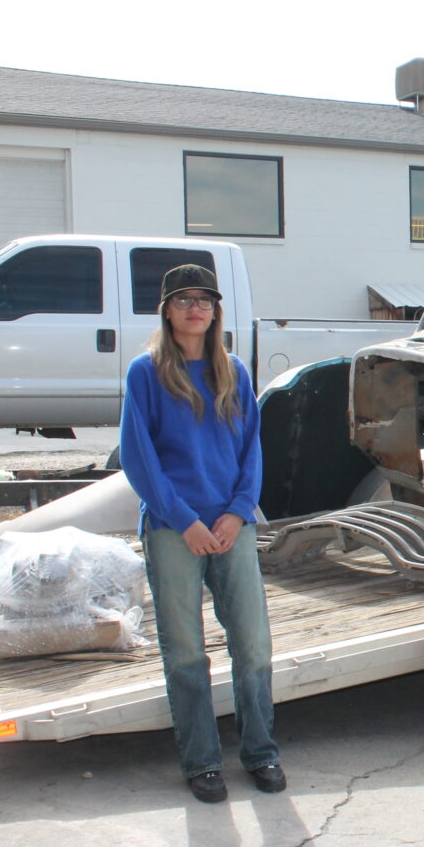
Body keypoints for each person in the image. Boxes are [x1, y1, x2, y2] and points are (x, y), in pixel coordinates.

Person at [120, 264, 283, 803]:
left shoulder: (233, 371)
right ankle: (201, 762)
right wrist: (182, 520)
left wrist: (238, 512)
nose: (195, 308)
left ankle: (260, 752)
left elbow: (252, 449)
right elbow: (138, 458)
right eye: (183, 299)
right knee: (187, 651)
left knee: (254, 646)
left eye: (205, 300)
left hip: (230, 526)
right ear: (166, 311)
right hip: (174, 529)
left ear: (215, 311)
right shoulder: (145, 374)